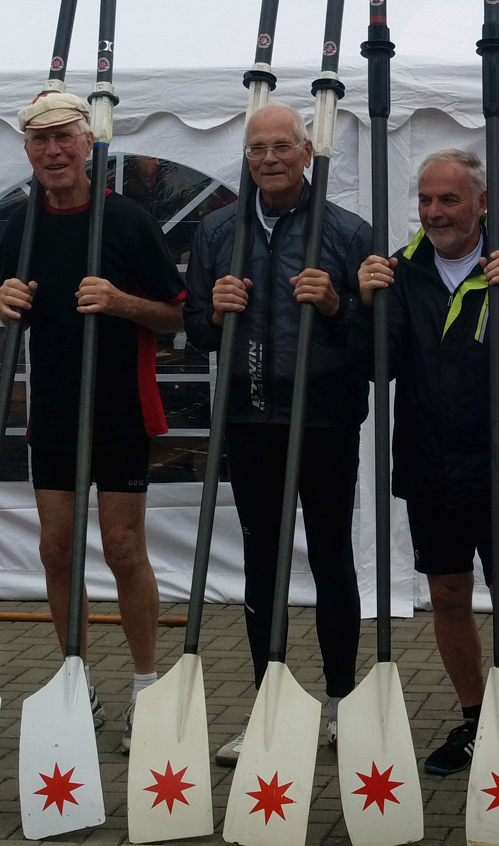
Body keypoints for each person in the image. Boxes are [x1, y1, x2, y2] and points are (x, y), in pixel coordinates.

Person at [357, 149, 499, 776]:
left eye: (448, 200)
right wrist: (364, 309)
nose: (434, 213)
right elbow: (377, 368)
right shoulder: (400, 270)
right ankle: (476, 718)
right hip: (427, 459)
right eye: (425, 200)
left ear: (480, 203)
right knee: (447, 593)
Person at [0, 93, 187, 748]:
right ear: (28, 153)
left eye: (64, 139)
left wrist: (121, 301)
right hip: (51, 410)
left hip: (120, 410)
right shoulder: (18, 226)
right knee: (55, 548)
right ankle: (76, 680)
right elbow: (8, 304)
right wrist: (7, 302)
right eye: (40, 141)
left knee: (124, 548)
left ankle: (146, 686)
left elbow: (178, 315)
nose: (53, 152)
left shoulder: (127, 222)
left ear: (88, 145)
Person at [183, 103, 373, 763]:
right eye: (257, 147)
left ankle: (344, 703)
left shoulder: (347, 232)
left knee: (329, 557)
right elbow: (197, 332)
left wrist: (335, 304)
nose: (268, 158)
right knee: (262, 561)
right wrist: (212, 310)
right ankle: (271, 707)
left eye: (281, 146)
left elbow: (378, 346)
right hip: (248, 415)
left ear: (307, 151)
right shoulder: (217, 231)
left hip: (323, 418)